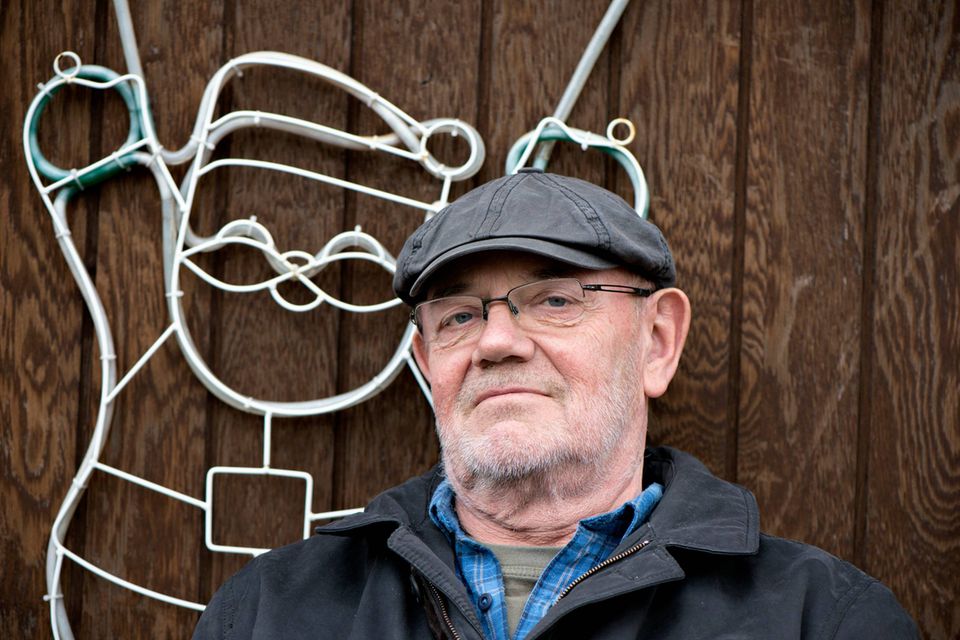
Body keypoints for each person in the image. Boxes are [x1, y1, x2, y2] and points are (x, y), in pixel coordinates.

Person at [193, 169, 918, 639]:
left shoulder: (824, 620)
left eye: (556, 300)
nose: (495, 341)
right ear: (427, 364)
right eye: (459, 316)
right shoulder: (266, 615)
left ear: (657, 342)